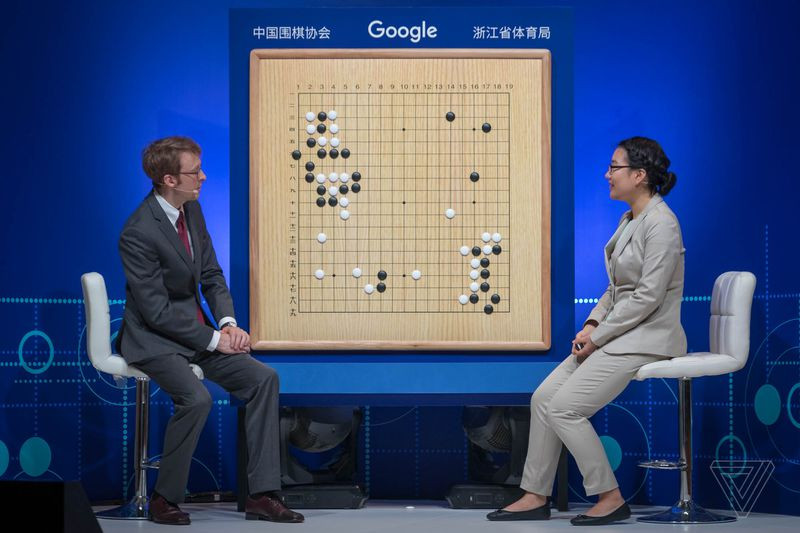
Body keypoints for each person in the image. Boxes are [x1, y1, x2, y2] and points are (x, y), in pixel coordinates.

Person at [487, 136, 686, 526]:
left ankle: (610, 496)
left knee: (565, 408)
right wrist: (592, 324)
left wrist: (599, 337)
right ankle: (535, 494)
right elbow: (616, 289)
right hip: (619, 333)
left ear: (640, 175)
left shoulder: (662, 224)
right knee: (544, 399)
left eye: (614, 167)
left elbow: (647, 298)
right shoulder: (630, 220)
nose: (607, 174)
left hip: (648, 336)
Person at [117, 136, 303, 525]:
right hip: (153, 339)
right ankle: (164, 499)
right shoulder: (138, 232)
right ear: (169, 179)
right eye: (195, 171)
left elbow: (212, 276)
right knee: (197, 399)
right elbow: (156, 312)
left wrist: (228, 324)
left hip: (197, 334)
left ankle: (262, 494)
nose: (203, 177)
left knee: (263, 379)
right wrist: (216, 340)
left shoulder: (193, 210)